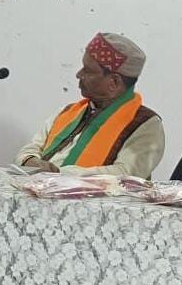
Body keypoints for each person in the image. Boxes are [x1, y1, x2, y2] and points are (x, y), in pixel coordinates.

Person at [15, 33, 164, 178]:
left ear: (114, 83)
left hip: (87, 195)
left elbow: (125, 174)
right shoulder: (68, 112)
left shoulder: (146, 125)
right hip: (37, 188)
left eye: (88, 70)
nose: (78, 74)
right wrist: (29, 160)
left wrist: (59, 174)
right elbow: (34, 146)